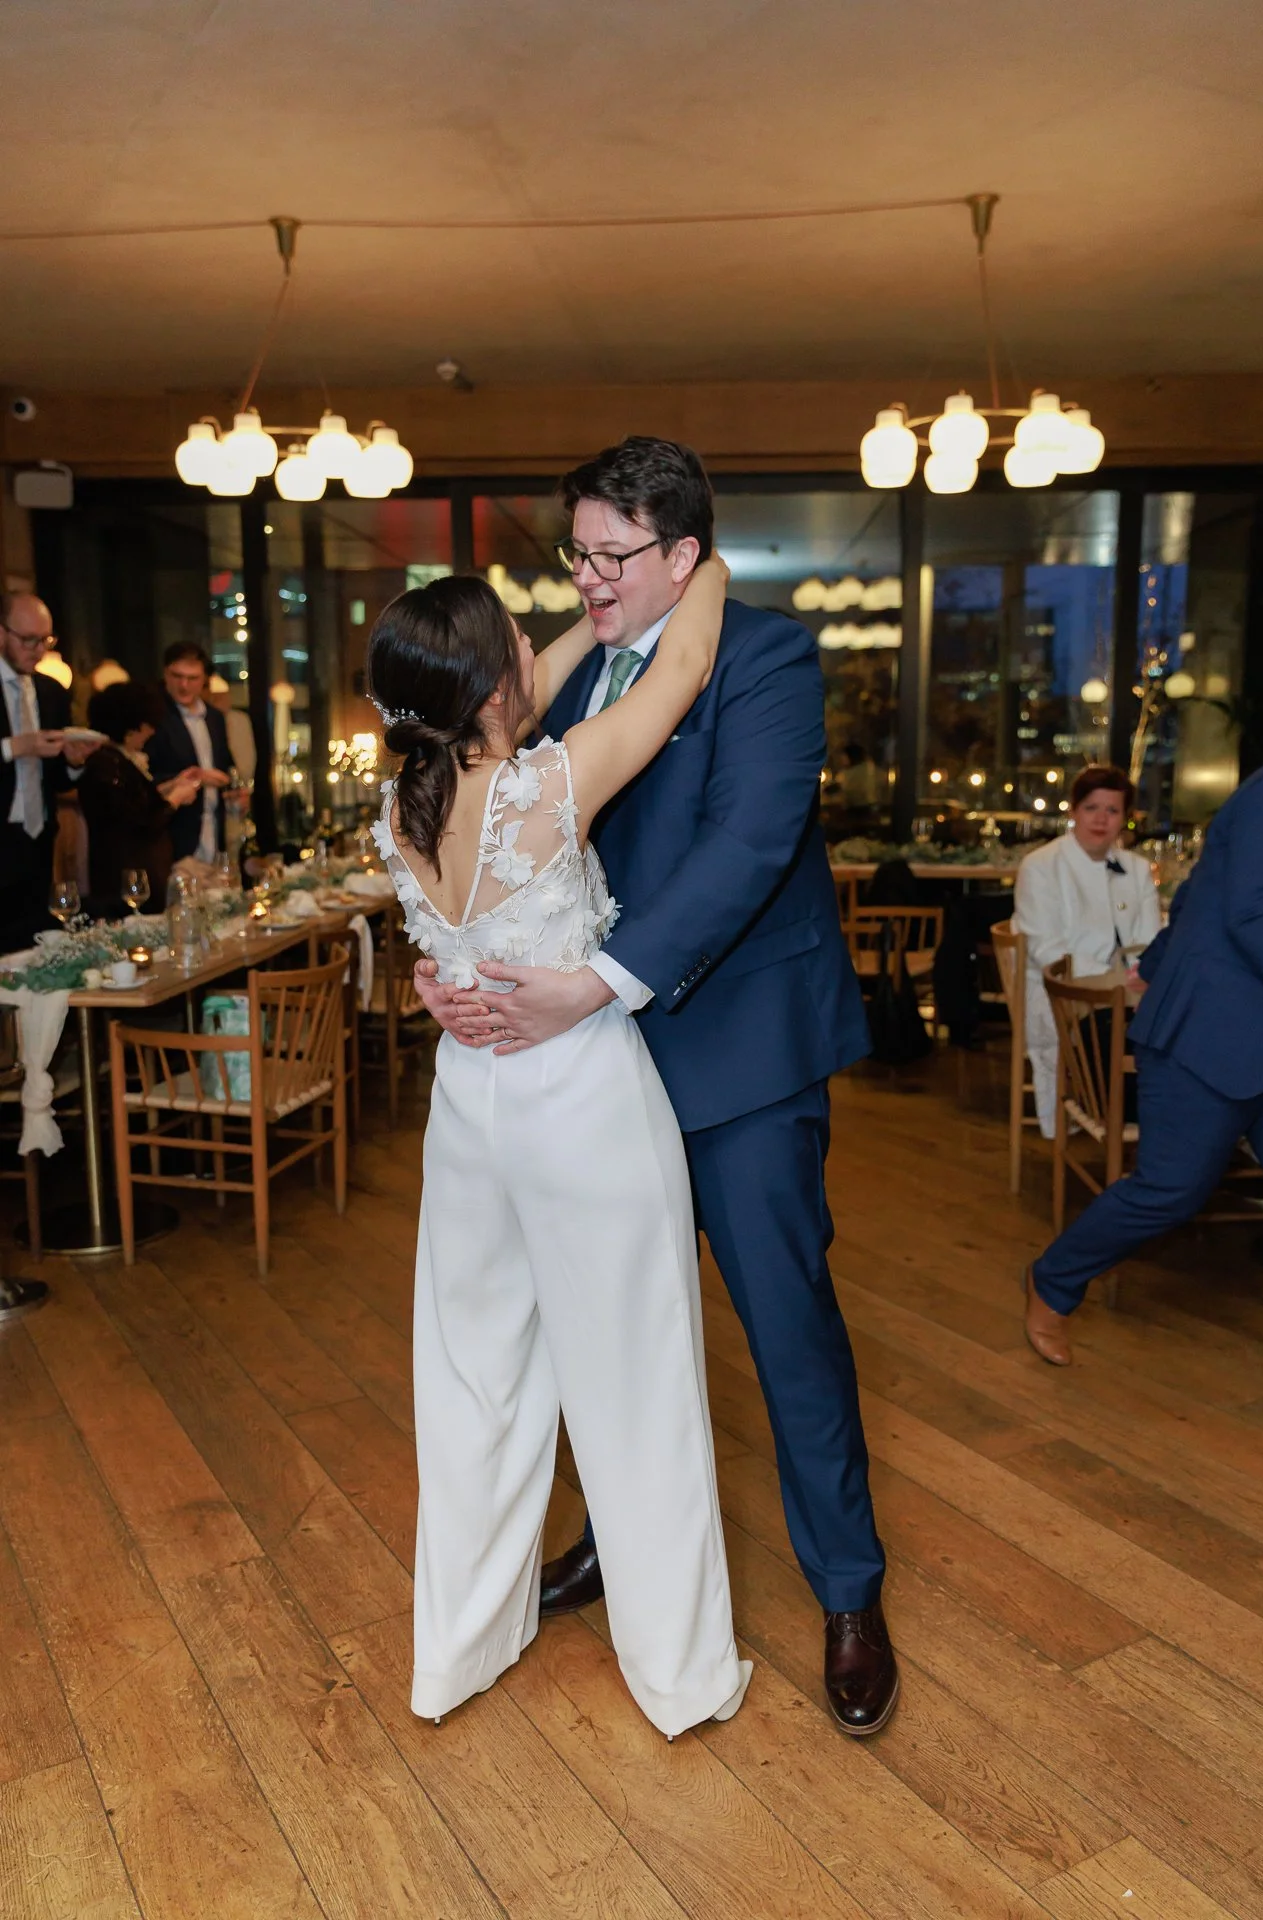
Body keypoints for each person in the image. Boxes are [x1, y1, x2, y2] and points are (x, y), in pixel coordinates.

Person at [415, 437, 898, 1737]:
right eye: (575, 553)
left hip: (735, 1061)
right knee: (601, 1328)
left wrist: (600, 983)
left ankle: (848, 1593)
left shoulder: (768, 655)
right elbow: (492, 836)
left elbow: (749, 843)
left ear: (683, 555)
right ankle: (618, 1543)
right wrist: (459, 965)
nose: (586, 579)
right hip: (588, 1083)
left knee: (786, 1328)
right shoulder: (564, 680)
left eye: (611, 555)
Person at [370, 558, 754, 1738]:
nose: (542, 643)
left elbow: (515, 682)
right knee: (634, 1381)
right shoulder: (549, 784)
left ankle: (457, 1654)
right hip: (578, 1098)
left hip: (468, 1108)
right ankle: (679, 1675)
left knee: (471, 1382)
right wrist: (698, 560)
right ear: (499, 683)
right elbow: (685, 662)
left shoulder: (404, 808)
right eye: (519, 640)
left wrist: (568, 631)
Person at [1023, 760, 1263, 1366]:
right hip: (1210, 1032)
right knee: (1171, 1189)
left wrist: (1154, 963)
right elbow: (1253, 913)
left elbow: (1193, 896)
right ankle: (1052, 1279)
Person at [1014, 764, 1161, 1134]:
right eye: (1091, 808)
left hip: (1130, 991)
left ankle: (1179, 1125)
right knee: (1124, 1031)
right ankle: (1131, 1121)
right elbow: (1047, 950)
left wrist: (1140, 978)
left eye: (1112, 810)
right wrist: (1115, 983)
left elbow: (1150, 941)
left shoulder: (1138, 869)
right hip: (1064, 991)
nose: (1101, 819)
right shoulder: (1041, 866)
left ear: (1125, 818)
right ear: (1074, 810)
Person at [0, 590, 100, 955]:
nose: (39, 650)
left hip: (38, 838)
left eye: (46, 640)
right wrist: (14, 747)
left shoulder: (52, 691)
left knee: (31, 948)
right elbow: (21, 749)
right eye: (28, 640)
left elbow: (56, 779)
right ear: (1, 632)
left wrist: (74, 762)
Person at [78, 682, 203, 918]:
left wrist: (171, 786)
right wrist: (176, 797)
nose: (152, 732)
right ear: (132, 726)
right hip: (124, 873)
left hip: (136, 871)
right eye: (148, 725)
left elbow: (136, 801)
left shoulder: (118, 760)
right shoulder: (106, 763)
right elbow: (142, 821)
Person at [146, 643, 232, 862]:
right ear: (165, 674)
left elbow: (225, 765)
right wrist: (195, 778)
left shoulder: (214, 718)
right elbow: (144, 775)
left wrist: (232, 789)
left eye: (192, 678)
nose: (184, 685)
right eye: (177, 676)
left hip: (213, 829)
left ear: (205, 680)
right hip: (174, 834)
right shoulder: (154, 716)